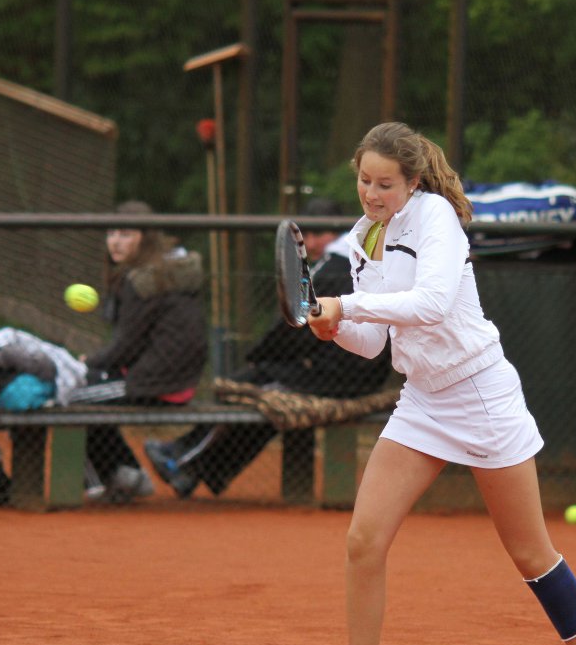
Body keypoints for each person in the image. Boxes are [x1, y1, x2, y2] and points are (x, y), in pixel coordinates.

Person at [291, 122, 576, 645]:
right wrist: (332, 325)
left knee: (530, 554)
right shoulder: (364, 235)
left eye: (385, 183)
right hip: (422, 399)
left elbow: (434, 304)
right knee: (364, 540)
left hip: (480, 394)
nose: (372, 194)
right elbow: (371, 344)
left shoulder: (436, 217)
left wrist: (350, 305)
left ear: (412, 181)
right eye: (364, 180)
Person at [143, 197, 391, 498]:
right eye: (308, 235)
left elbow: (296, 326)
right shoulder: (355, 258)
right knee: (262, 402)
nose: (310, 242)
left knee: (252, 387)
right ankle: (195, 468)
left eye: (316, 234)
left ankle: (180, 458)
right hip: (350, 369)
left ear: (334, 233)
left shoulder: (337, 263)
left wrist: (261, 358)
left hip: (341, 375)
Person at [67, 201, 207, 503]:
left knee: (69, 397)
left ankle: (96, 487)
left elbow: (124, 347)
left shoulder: (143, 279)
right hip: (174, 379)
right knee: (90, 389)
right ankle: (129, 475)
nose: (116, 241)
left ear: (145, 238)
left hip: (154, 383)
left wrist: (87, 362)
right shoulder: (163, 271)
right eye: (112, 233)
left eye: (126, 234)